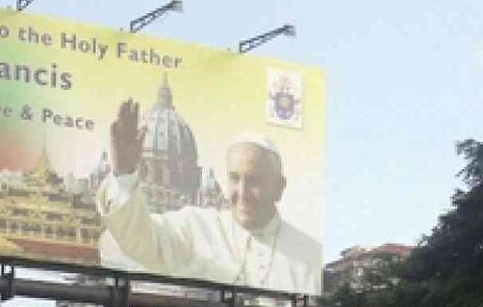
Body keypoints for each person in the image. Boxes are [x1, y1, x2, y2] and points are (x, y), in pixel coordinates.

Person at [97, 96, 323, 294]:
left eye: (254, 181)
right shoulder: (196, 226)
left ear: (279, 187)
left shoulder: (309, 254)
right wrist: (125, 175)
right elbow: (138, 242)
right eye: (235, 179)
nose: (242, 193)